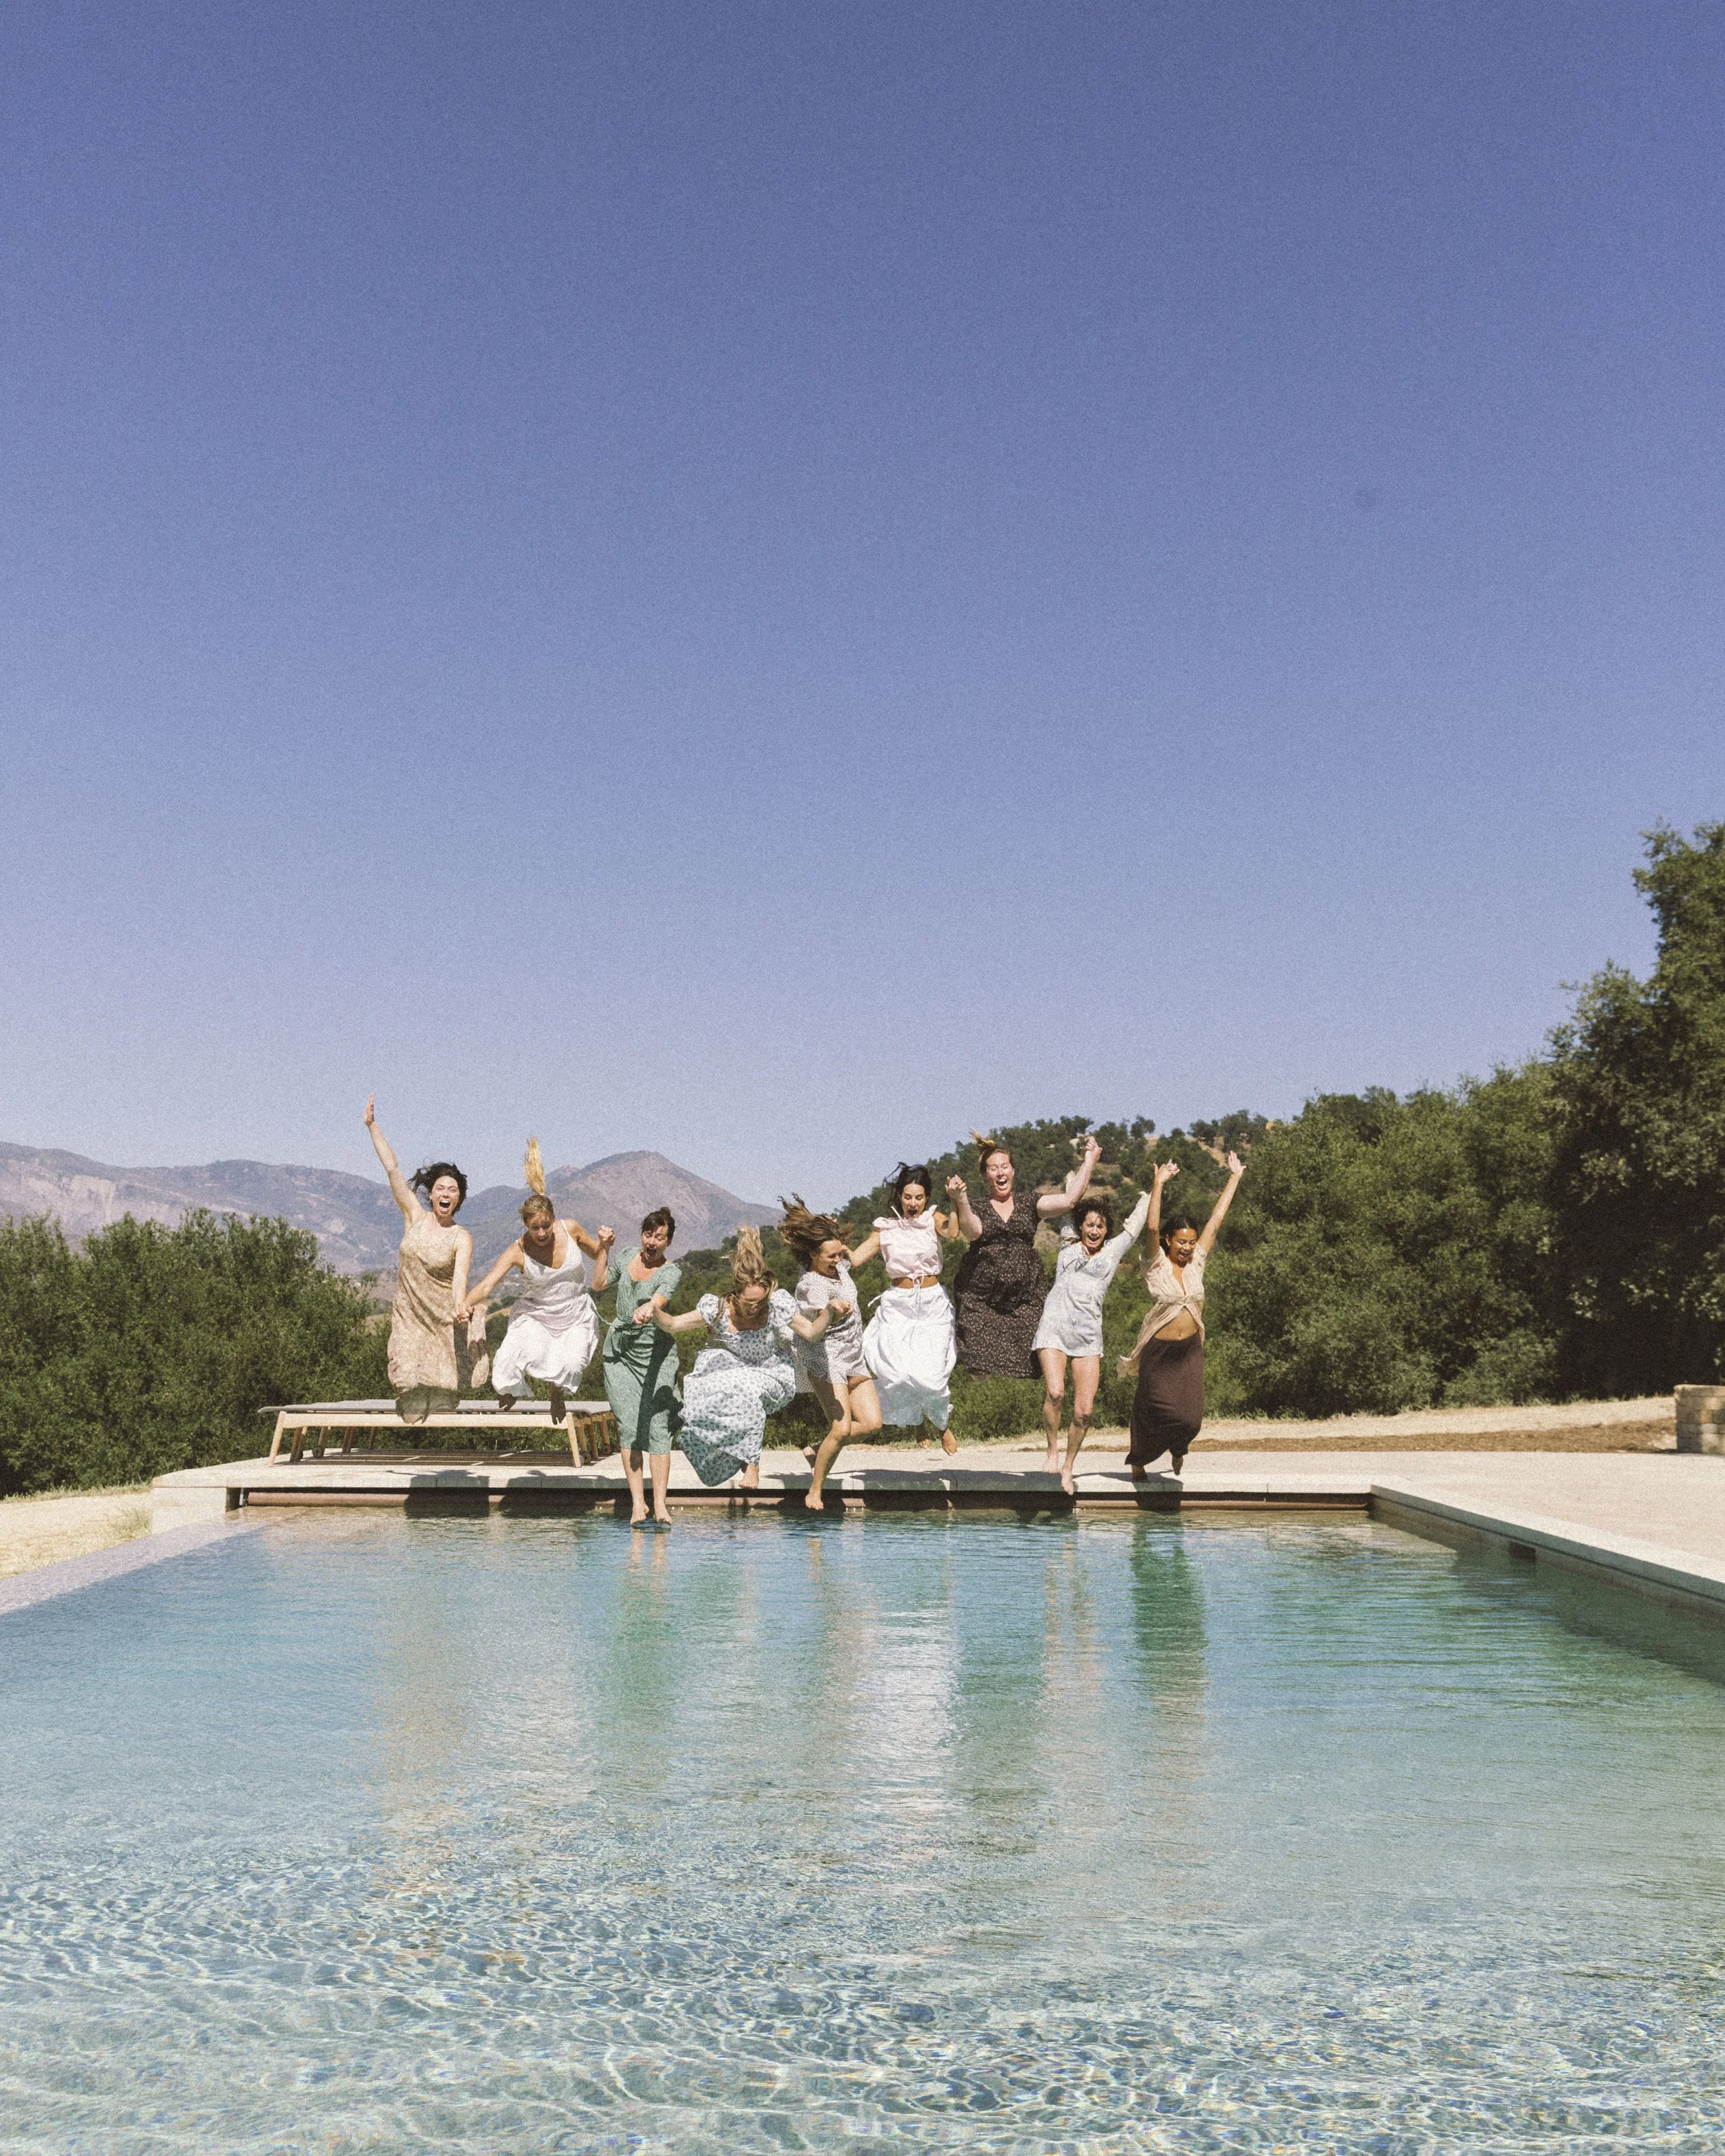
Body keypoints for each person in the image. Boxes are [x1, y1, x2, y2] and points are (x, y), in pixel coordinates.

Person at [645, 1226, 840, 1490]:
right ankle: (737, 1454)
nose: (754, 1308)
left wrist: (829, 1312)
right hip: (725, 1370)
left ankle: (753, 1466)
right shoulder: (718, 1308)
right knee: (697, 1421)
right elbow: (673, 1324)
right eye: (749, 1302)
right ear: (736, 1293)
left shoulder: (776, 1306)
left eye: (759, 1302)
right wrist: (653, 1310)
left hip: (769, 1371)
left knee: (747, 1390)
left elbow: (812, 1333)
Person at [462, 1141, 613, 1423]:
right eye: (535, 1228)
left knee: (572, 1362)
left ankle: (557, 1390)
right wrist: (463, 1305)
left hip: (574, 1313)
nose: (542, 1232)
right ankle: (511, 1388)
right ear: (526, 1225)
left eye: (546, 1225)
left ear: (553, 1219)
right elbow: (487, 1285)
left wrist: (605, 1244)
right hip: (537, 1314)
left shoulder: (571, 1229)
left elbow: (596, 1253)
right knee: (510, 1355)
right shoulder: (518, 1250)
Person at [1119, 1151, 1246, 1478]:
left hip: (1189, 1351)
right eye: (1181, 1242)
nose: (1188, 1248)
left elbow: (1215, 1221)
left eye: (1191, 1242)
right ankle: (1139, 1459)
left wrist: (1234, 1177)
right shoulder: (1156, 1264)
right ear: (1168, 1240)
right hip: (1159, 1352)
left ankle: (1178, 1449)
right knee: (1150, 1410)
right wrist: (1158, 1184)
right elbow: (1149, 1227)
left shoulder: (1197, 1263)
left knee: (1190, 1417)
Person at [364, 1094, 487, 1423]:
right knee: (404, 1378)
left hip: (441, 1317)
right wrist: (372, 1126)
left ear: (458, 1200)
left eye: (453, 1191)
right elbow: (392, 1169)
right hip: (408, 1314)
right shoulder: (414, 1218)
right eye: (441, 1189)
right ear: (431, 1193)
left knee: (443, 1396)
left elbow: (460, 1282)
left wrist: (461, 1308)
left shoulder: (461, 1237)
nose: (446, 1194)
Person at [946, 1132, 1101, 1378]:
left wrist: (1090, 1160)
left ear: (1013, 1171)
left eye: (1004, 1167)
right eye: (993, 1168)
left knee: (1027, 1369)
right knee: (980, 1370)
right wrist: (961, 1200)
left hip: (1024, 1298)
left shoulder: (1030, 1202)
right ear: (985, 1176)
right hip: (981, 1299)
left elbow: (1070, 1201)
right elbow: (973, 1232)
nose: (1000, 1172)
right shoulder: (976, 1206)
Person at [1033, 1183, 1153, 1493]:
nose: (1095, 1230)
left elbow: (1134, 1229)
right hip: (1054, 1329)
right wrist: (1082, 1172)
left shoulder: (1112, 1253)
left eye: (1100, 1226)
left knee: (1084, 1412)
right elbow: (1071, 1200)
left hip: (1087, 1335)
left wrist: (1154, 1190)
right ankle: (1052, 1450)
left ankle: (1069, 1467)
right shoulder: (1068, 1243)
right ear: (1081, 1227)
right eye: (1090, 1224)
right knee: (1056, 1393)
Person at [848, 1163, 963, 1454]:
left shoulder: (932, 1219)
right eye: (908, 1197)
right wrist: (829, 1241)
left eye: (919, 1197)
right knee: (897, 1373)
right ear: (899, 1196)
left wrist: (955, 1200)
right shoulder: (885, 1227)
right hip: (899, 1304)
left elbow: (952, 1232)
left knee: (932, 1375)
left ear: (926, 1198)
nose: (913, 1203)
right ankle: (915, 1420)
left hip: (932, 1303)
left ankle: (942, 1424)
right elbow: (857, 1258)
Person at [778, 1196, 884, 1512]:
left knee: (873, 1423)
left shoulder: (838, 1265)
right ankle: (815, 1490)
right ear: (813, 1256)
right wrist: (832, 1310)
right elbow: (817, 1326)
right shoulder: (811, 1285)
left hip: (853, 1355)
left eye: (840, 1253)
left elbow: (848, 1254)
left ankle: (816, 1450)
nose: (839, 1259)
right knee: (840, 1428)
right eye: (831, 1255)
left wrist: (830, 1227)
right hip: (825, 1358)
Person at [604, 1207, 683, 1527]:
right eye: (648, 1235)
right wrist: (602, 1250)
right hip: (621, 1353)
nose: (652, 1242)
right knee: (630, 1426)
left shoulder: (672, 1272)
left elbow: (660, 1300)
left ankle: (660, 1504)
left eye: (660, 1237)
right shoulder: (625, 1257)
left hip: (657, 1354)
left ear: (668, 1242)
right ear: (642, 1235)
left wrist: (649, 1306)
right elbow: (598, 1282)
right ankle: (639, 1504)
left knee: (658, 1427)